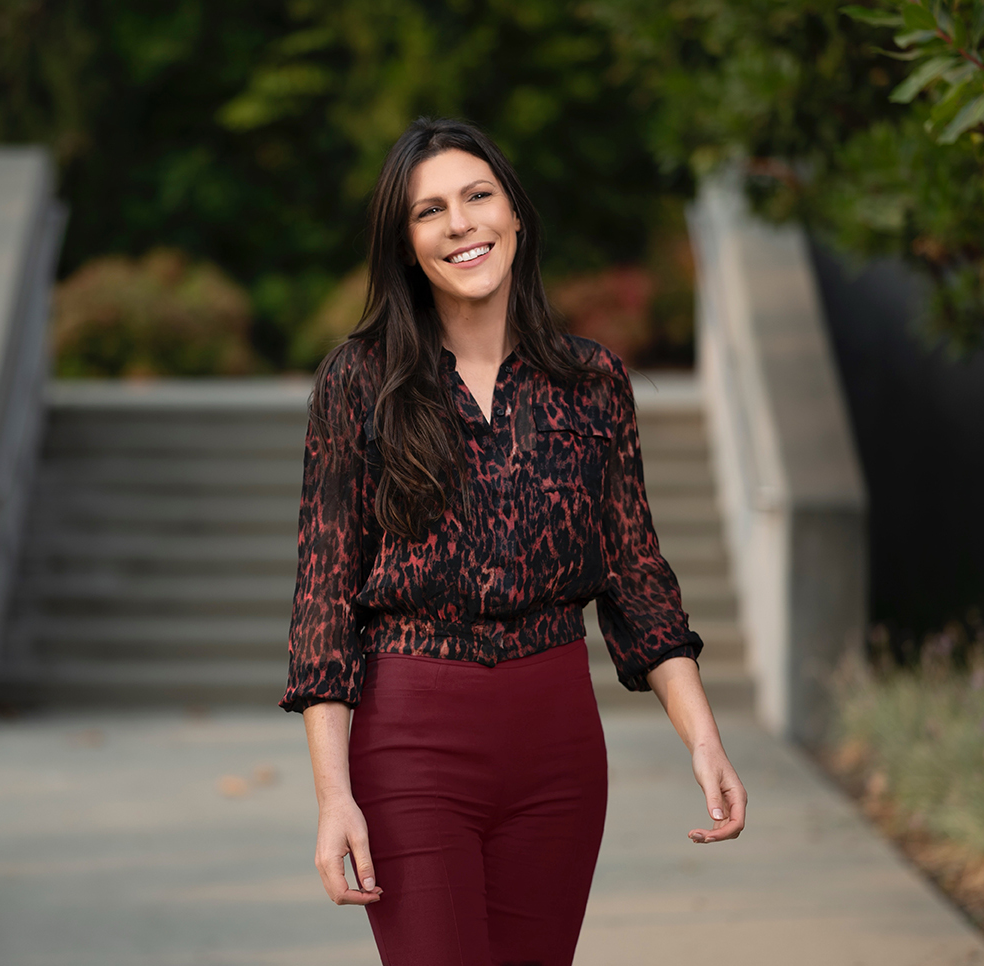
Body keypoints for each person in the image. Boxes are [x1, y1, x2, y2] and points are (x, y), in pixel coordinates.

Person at [280, 117, 747, 966]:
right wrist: (333, 795)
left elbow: (637, 577)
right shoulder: (360, 384)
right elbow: (324, 603)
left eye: (477, 196)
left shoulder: (591, 382)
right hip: (412, 740)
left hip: (558, 749)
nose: (460, 224)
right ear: (406, 245)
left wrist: (705, 739)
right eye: (430, 212)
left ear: (515, 216)